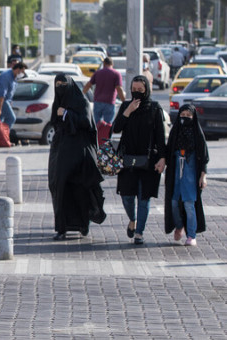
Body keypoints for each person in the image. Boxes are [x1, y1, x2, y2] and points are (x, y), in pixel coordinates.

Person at [48, 74, 106, 240]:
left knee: (80, 190)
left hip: (79, 154)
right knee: (59, 188)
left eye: (63, 84)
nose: (60, 87)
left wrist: (67, 114)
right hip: (60, 153)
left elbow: (86, 123)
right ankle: (61, 227)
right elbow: (55, 123)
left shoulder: (82, 102)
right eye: (57, 84)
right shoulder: (57, 103)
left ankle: (82, 224)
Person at [113, 75, 166, 245]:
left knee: (144, 199)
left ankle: (139, 232)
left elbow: (160, 136)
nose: (136, 94)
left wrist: (163, 158)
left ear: (147, 90)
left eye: (140, 91)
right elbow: (116, 128)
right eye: (133, 90)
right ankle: (132, 220)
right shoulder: (125, 106)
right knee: (127, 197)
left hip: (149, 160)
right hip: (127, 160)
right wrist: (127, 112)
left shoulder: (155, 108)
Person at [164, 104, 209, 246]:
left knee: (189, 204)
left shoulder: (197, 134)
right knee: (174, 203)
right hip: (176, 172)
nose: (185, 119)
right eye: (182, 116)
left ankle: (191, 235)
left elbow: (203, 156)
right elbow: (168, 150)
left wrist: (203, 175)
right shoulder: (175, 132)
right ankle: (179, 225)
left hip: (191, 173)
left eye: (188, 116)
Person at [82, 57, 126, 124]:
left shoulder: (98, 73)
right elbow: (119, 89)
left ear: (104, 63)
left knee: (96, 124)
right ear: (112, 64)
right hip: (110, 102)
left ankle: (97, 134)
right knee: (108, 125)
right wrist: (124, 102)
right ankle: (106, 134)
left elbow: (88, 85)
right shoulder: (116, 74)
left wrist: (81, 95)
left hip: (97, 101)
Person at [0, 62, 28, 130]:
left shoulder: (14, 77)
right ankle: (4, 135)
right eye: (22, 71)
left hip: (4, 100)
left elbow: (10, 92)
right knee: (11, 118)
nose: (23, 74)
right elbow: (2, 94)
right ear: (18, 69)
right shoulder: (6, 76)